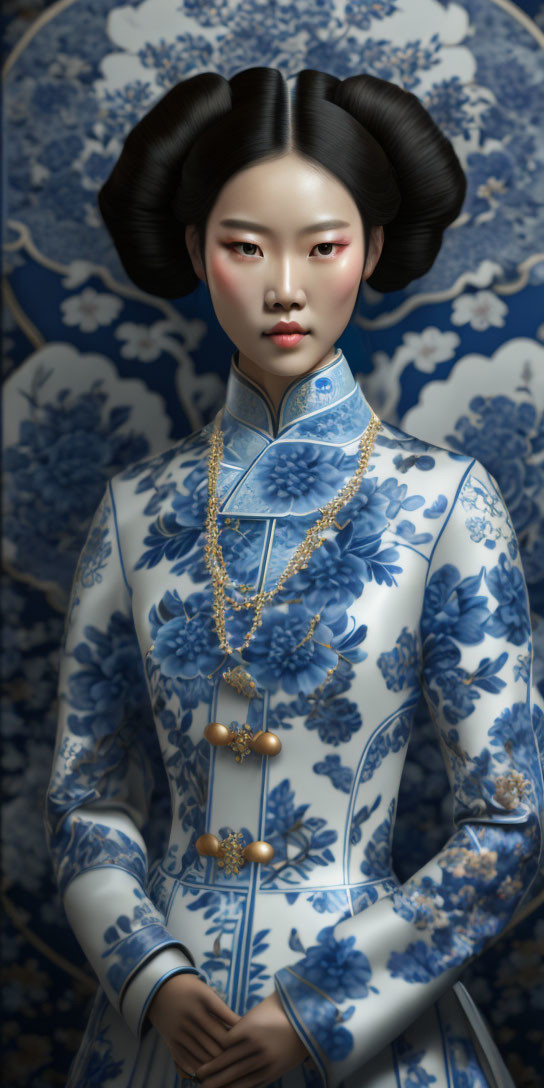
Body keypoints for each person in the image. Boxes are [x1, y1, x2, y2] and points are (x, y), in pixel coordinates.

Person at [46, 67, 543, 1088]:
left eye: (324, 246)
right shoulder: (137, 508)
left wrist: (314, 1009)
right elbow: (84, 796)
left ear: (367, 251)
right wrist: (154, 977)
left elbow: (508, 819)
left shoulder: (443, 500)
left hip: (369, 1028)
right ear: (194, 252)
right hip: (159, 1027)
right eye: (244, 246)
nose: (285, 286)